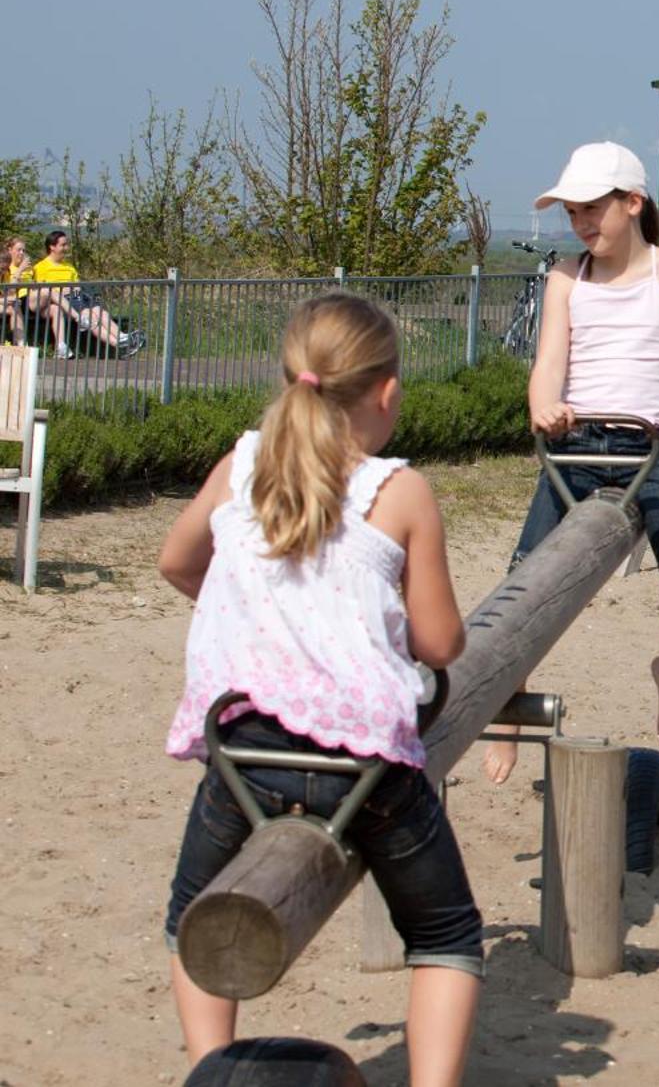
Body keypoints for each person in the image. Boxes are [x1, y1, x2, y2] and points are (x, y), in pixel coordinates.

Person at [156, 293, 481, 1082]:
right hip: (365, 769)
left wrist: (259, 624)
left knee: (185, 921)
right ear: (388, 392)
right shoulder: (399, 490)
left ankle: (212, 1069)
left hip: (245, 753)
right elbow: (440, 642)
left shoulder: (240, 466)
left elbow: (174, 561)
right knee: (445, 936)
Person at [484, 141, 659, 785]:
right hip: (575, 450)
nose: (582, 223)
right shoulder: (566, 276)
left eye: (593, 208)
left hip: (652, 454)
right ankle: (511, 708)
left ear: (633, 203)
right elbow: (548, 364)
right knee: (524, 595)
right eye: (572, 212)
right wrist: (544, 406)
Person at [30, 229, 144, 358]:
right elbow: (44, 291)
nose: (66, 248)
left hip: (77, 297)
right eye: (63, 245)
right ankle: (118, 343)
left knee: (99, 311)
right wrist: (63, 290)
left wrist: (75, 289)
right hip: (62, 302)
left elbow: (77, 284)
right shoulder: (40, 267)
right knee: (89, 315)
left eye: (66, 244)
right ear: (52, 247)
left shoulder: (69, 266)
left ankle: (121, 336)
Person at [3, 236, 31, 345]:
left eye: (23, 250)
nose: (22, 253)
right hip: (17, 299)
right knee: (14, 305)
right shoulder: (6, 268)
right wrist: (19, 271)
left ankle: (21, 344)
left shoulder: (28, 269)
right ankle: (21, 343)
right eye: (19, 250)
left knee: (54, 308)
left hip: (25, 299)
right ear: (10, 250)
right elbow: (10, 291)